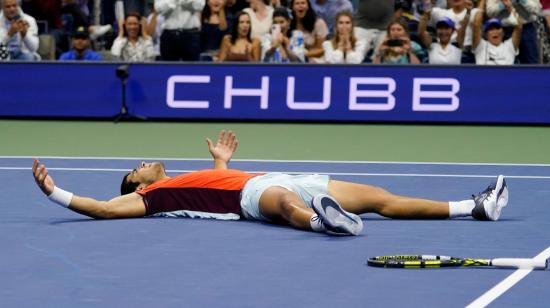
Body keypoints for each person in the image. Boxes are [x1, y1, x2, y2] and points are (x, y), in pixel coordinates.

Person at [32, 130, 509, 237]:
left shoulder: (189, 179)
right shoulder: (151, 198)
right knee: (282, 202)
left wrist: (221, 161)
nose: (144, 163)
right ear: (138, 186)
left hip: (269, 178)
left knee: (380, 198)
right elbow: (102, 209)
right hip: (251, 197)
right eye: (137, 167)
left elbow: (216, 180)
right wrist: (55, 191)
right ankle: (328, 225)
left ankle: (471, 208)